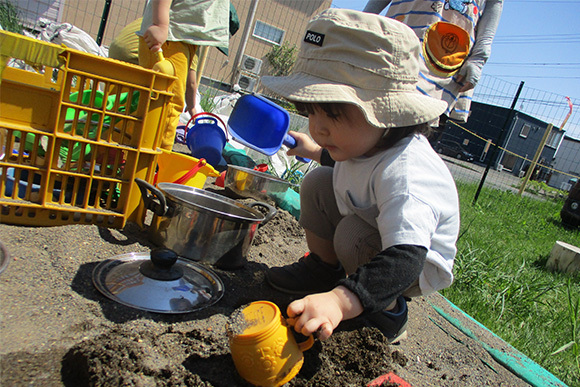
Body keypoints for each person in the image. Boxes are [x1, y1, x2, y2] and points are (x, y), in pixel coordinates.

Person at [260, 9, 460, 343]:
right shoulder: (364, 142)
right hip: (375, 224)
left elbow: (407, 258)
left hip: (407, 264)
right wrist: (313, 150)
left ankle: (388, 311)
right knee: (317, 183)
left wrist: (340, 301)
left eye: (334, 114)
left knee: (351, 236)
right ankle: (324, 269)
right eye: (312, 112)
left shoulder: (408, 174)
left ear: (386, 113)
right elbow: (345, 163)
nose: (319, 127)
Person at [363, 0, 503, 135]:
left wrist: (479, 57)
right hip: (401, 28)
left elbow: (495, 2)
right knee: (371, 108)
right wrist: (362, 22)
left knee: (411, 127)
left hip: (447, 46)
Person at [137, 0, 230, 150]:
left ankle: (145, 159)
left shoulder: (193, 39)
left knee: (160, 105)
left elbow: (191, 80)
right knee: (167, 106)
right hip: (170, 36)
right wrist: (161, 25)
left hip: (179, 36)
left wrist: (193, 106)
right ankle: (156, 162)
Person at [109, 18, 200, 118]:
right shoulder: (189, 37)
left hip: (115, 52)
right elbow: (190, 82)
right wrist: (191, 107)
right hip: (134, 58)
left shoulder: (160, 15)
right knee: (151, 106)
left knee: (116, 104)